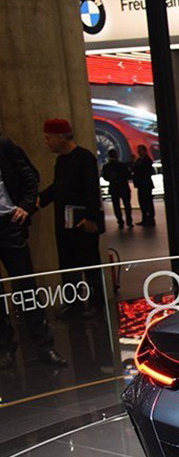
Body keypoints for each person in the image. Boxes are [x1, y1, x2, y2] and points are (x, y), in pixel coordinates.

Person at [0, 132, 65, 367]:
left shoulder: (3, 145)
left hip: (9, 224)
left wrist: (27, 205)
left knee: (26, 287)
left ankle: (44, 347)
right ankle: (4, 349)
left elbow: (30, 175)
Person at [38, 118, 104, 312]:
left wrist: (91, 218)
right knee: (68, 265)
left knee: (90, 265)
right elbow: (58, 187)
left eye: (48, 137)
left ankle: (97, 304)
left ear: (60, 137)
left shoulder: (84, 157)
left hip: (82, 222)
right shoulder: (61, 161)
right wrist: (39, 200)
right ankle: (74, 304)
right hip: (64, 223)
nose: (46, 142)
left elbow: (92, 189)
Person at [100, 148, 133, 229]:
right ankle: (129, 221)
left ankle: (120, 221)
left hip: (114, 188)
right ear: (117, 155)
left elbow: (105, 177)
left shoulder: (106, 167)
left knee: (116, 206)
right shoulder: (122, 165)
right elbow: (128, 175)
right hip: (124, 187)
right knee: (127, 205)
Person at [131, 144, 155, 225]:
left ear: (144, 151)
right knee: (142, 202)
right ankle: (145, 218)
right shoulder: (139, 160)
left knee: (147, 202)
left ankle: (150, 218)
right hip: (140, 184)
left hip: (145, 184)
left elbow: (142, 170)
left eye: (140, 150)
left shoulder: (147, 160)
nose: (138, 152)